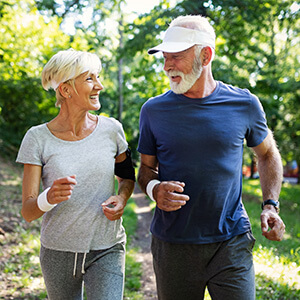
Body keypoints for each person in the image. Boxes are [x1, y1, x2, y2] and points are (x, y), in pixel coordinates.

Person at [137, 15, 285, 300]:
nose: (167, 66)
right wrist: (155, 190)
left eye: (176, 57)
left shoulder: (244, 104)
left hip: (231, 242)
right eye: (165, 58)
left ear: (205, 55)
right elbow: (145, 169)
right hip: (173, 244)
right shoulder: (152, 110)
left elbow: (267, 154)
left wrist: (270, 205)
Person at [16, 49, 135, 300]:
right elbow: (28, 211)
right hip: (58, 251)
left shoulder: (112, 130)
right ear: (66, 90)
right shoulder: (37, 139)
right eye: (90, 79)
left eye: (98, 77)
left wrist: (122, 198)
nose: (100, 86)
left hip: (108, 248)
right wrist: (48, 197)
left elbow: (126, 177)